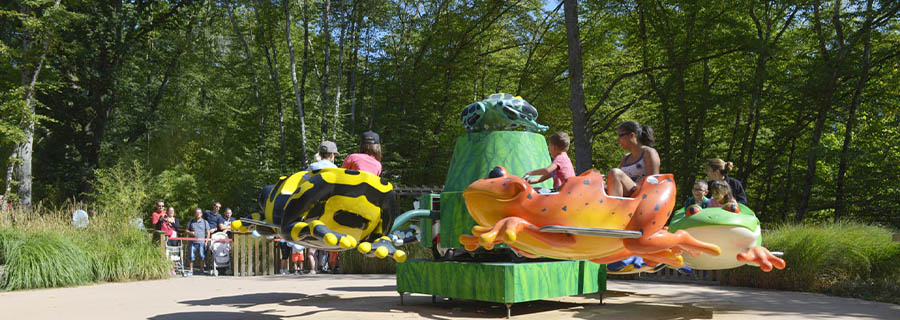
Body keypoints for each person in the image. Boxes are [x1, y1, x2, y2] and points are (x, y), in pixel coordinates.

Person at [606, 121, 660, 197]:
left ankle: (615, 207)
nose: (618, 140)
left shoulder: (648, 152)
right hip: (626, 194)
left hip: (640, 194)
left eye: (620, 136)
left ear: (632, 135)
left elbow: (654, 180)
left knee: (615, 172)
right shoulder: (625, 158)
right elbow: (617, 180)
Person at [186, 208, 211, 276]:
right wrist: (191, 232)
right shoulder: (191, 221)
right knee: (191, 256)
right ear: (194, 214)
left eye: (199, 213)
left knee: (202, 256)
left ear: (202, 214)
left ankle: (201, 270)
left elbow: (208, 232)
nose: (198, 214)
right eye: (196, 213)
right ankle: (191, 270)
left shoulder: (205, 222)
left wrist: (206, 241)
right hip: (192, 242)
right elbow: (186, 230)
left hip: (202, 242)